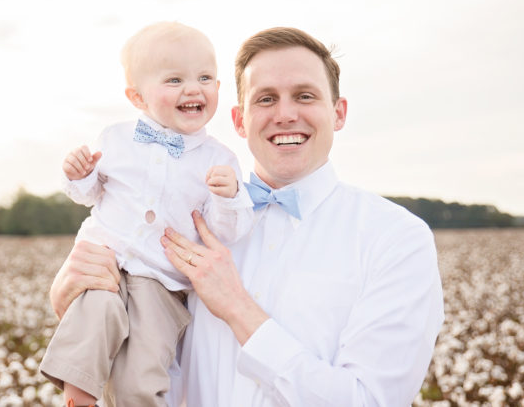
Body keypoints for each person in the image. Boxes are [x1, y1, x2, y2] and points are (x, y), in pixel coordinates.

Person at [49, 26, 445, 406]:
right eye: (266, 99)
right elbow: (152, 377)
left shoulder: (395, 238)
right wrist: (76, 297)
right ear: (239, 120)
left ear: (338, 113)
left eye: (305, 96)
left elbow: (370, 401)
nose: (286, 114)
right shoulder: (185, 222)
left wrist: (238, 308)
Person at [40, 22, 254, 407]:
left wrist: (230, 197)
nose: (193, 88)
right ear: (137, 97)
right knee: (96, 314)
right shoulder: (115, 139)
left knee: (146, 363)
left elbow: (225, 232)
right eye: (174, 80)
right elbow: (91, 194)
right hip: (106, 258)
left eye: (205, 77)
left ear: (219, 89)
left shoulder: (220, 160)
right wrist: (79, 173)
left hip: (162, 281)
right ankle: (79, 395)